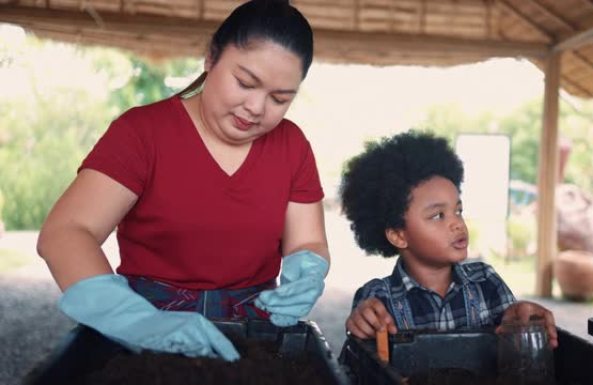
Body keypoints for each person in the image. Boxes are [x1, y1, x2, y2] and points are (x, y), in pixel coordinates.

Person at [37, 0, 329, 362]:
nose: (256, 107)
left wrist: (307, 271)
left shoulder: (292, 145)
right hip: (150, 330)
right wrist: (136, 322)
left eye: (279, 98)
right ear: (211, 58)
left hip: (253, 337)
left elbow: (308, 240)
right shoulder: (142, 133)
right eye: (245, 82)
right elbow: (66, 233)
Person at [339, 131, 558, 347]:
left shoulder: (486, 282)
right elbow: (361, 365)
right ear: (398, 235)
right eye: (437, 215)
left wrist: (520, 320)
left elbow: (513, 339)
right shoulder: (377, 298)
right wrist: (360, 326)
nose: (457, 223)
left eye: (458, 211)